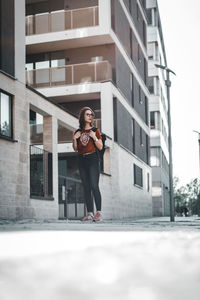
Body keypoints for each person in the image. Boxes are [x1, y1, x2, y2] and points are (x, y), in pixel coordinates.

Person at [72, 107, 103, 222]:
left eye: (92, 114)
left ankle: (98, 212)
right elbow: (75, 148)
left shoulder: (95, 130)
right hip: (81, 159)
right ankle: (90, 213)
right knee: (86, 187)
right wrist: (75, 139)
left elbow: (100, 147)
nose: (90, 116)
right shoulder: (77, 132)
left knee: (94, 185)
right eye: (88, 114)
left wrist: (94, 137)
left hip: (93, 159)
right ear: (83, 117)